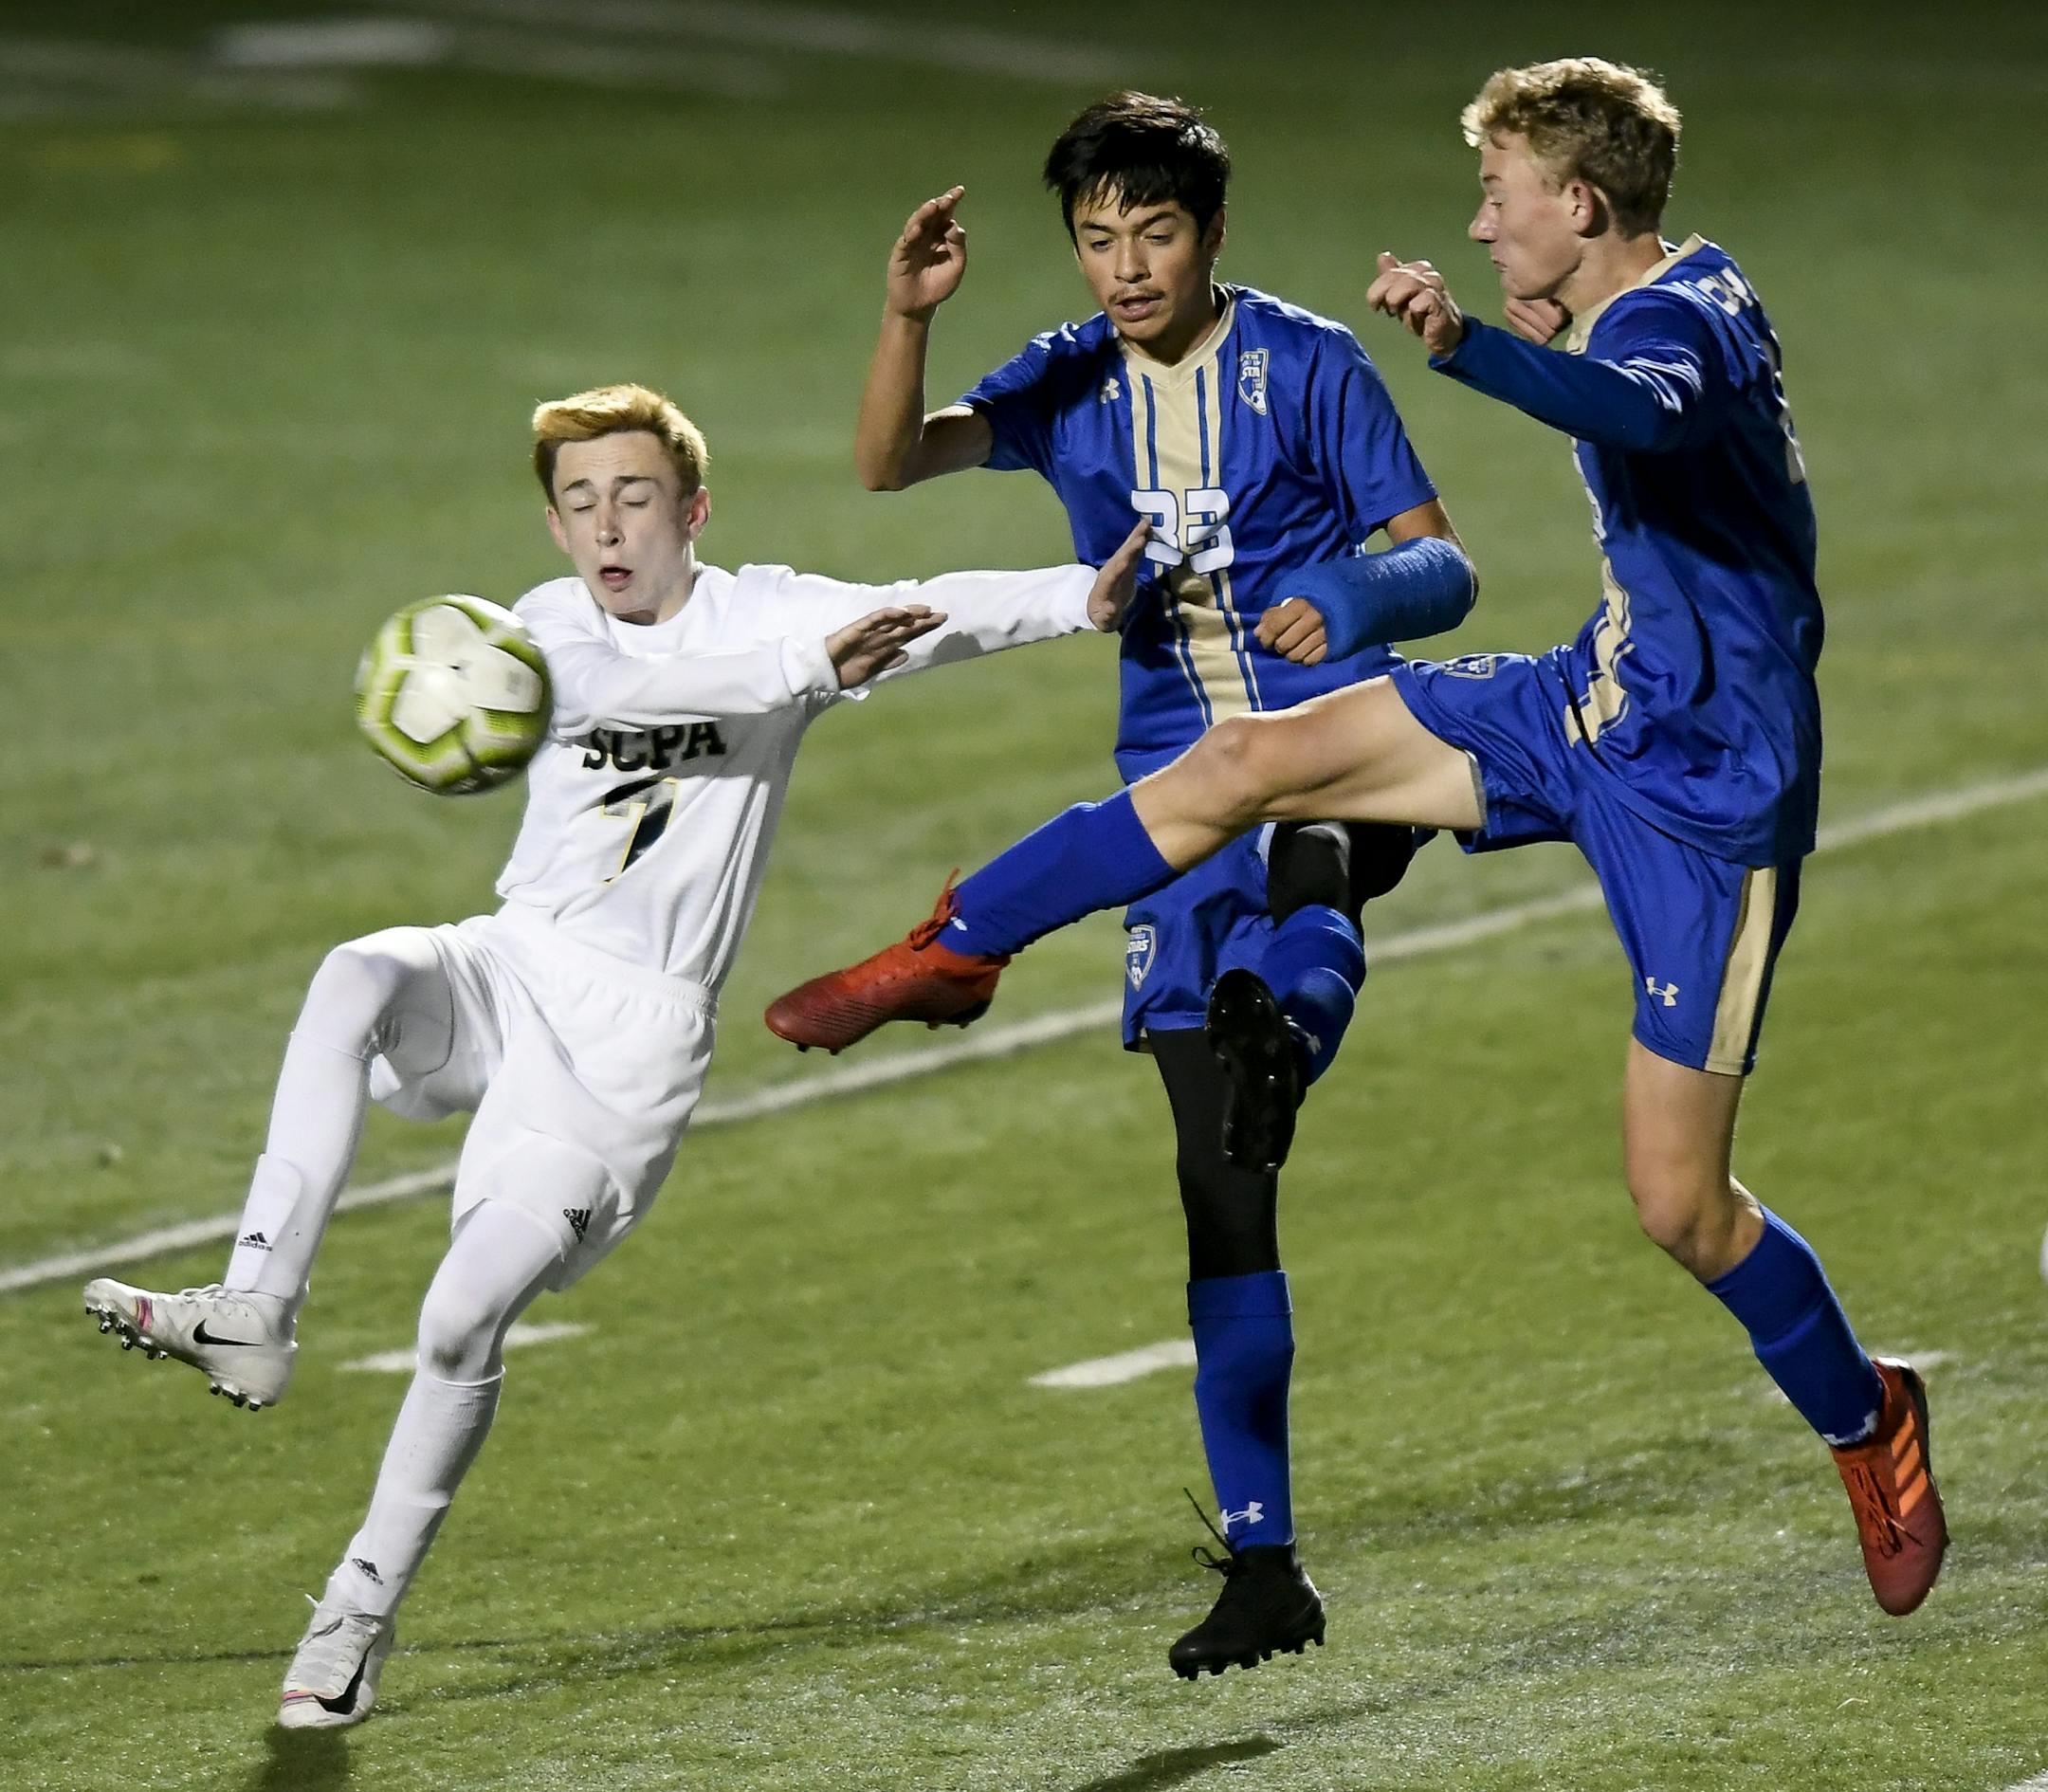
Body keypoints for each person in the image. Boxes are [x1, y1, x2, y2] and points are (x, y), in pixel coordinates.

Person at [765, 61, 1947, 1622]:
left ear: (1576, 206)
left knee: (1681, 1203)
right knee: (1252, 760)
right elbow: (896, 452)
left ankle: (1873, 1420)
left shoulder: (1676, 326)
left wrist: (1466, 346)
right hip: (1583, 706)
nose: (1480, 221)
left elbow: (1643, 408)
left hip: (1710, 797)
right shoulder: (1648, 294)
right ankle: (954, 949)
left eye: (1500, 198)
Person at [82, 383, 1148, 1728]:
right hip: (510, 965)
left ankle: (354, 1616)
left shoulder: (767, 610)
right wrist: (808, 672)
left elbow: (925, 604)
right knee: (355, 971)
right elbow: (655, 692)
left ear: (692, 510)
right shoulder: (535, 637)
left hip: (630, 1049)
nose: (607, 526)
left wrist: (1080, 597)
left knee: (461, 1315)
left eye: (635, 497)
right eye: (581, 501)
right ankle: (254, 1307)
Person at [765, 92, 1477, 1678]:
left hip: (1342, 731)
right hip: (1172, 795)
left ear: (1212, 233)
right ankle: (1265, 1563)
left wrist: (1349, 587)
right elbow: (891, 465)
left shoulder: (1308, 366)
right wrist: (904, 317)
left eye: (1153, 231)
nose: (1123, 264)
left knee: (1318, 864)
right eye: (1096, 236)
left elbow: (1446, 562)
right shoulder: (1072, 373)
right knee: (1223, 1182)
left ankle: (983, 953)